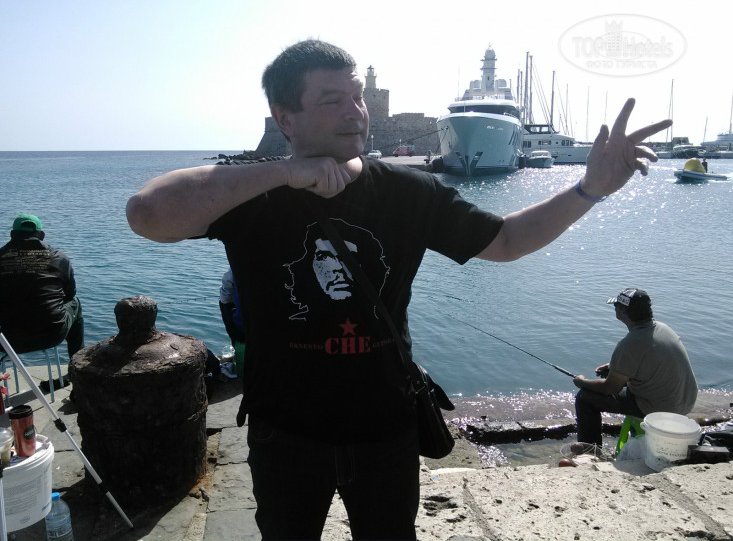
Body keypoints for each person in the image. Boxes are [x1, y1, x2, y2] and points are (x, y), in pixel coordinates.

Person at [126, 40, 672, 540]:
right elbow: (147, 213)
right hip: (285, 433)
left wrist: (589, 189)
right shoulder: (250, 196)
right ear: (284, 117)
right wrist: (285, 173)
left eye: (358, 97)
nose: (355, 111)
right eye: (332, 100)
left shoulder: (408, 192)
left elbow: (506, 240)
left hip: (386, 429)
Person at [573, 288, 698, 447]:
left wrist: (581, 382)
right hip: (685, 401)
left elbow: (610, 388)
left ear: (623, 312)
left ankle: (590, 450)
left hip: (660, 408)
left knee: (584, 398)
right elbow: (650, 360)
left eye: (616, 306)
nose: (615, 309)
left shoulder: (629, 344)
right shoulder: (663, 328)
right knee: (620, 380)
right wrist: (614, 367)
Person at [0, 214, 84, 358]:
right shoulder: (59, 257)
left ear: (12, 234)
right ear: (42, 235)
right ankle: (77, 362)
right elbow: (70, 294)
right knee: (75, 303)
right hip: (52, 335)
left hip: (6, 341)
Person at [219, 268, 245, 347]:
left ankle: (237, 342)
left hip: (243, 324)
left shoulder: (238, 265)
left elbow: (225, 294)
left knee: (224, 303)